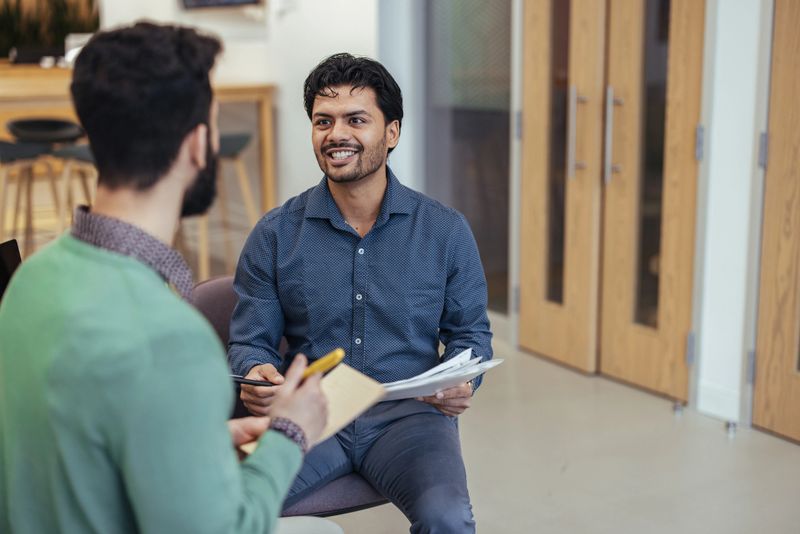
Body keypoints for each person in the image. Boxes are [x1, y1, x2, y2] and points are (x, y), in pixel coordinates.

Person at [0, 23, 337, 534]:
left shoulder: (29, 281)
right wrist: (290, 432)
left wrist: (193, 438)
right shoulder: (170, 339)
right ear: (198, 144)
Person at [228, 53, 493, 533]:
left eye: (356, 120)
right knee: (221, 507)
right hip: (312, 415)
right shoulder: (275, 233)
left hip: (409, 419)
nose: (336, 134)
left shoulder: (445, 231)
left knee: (448, 519)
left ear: (391, 133)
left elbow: (470, 335)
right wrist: (253, 371)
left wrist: (464, 381)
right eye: (323, 121)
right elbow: (251, 341)